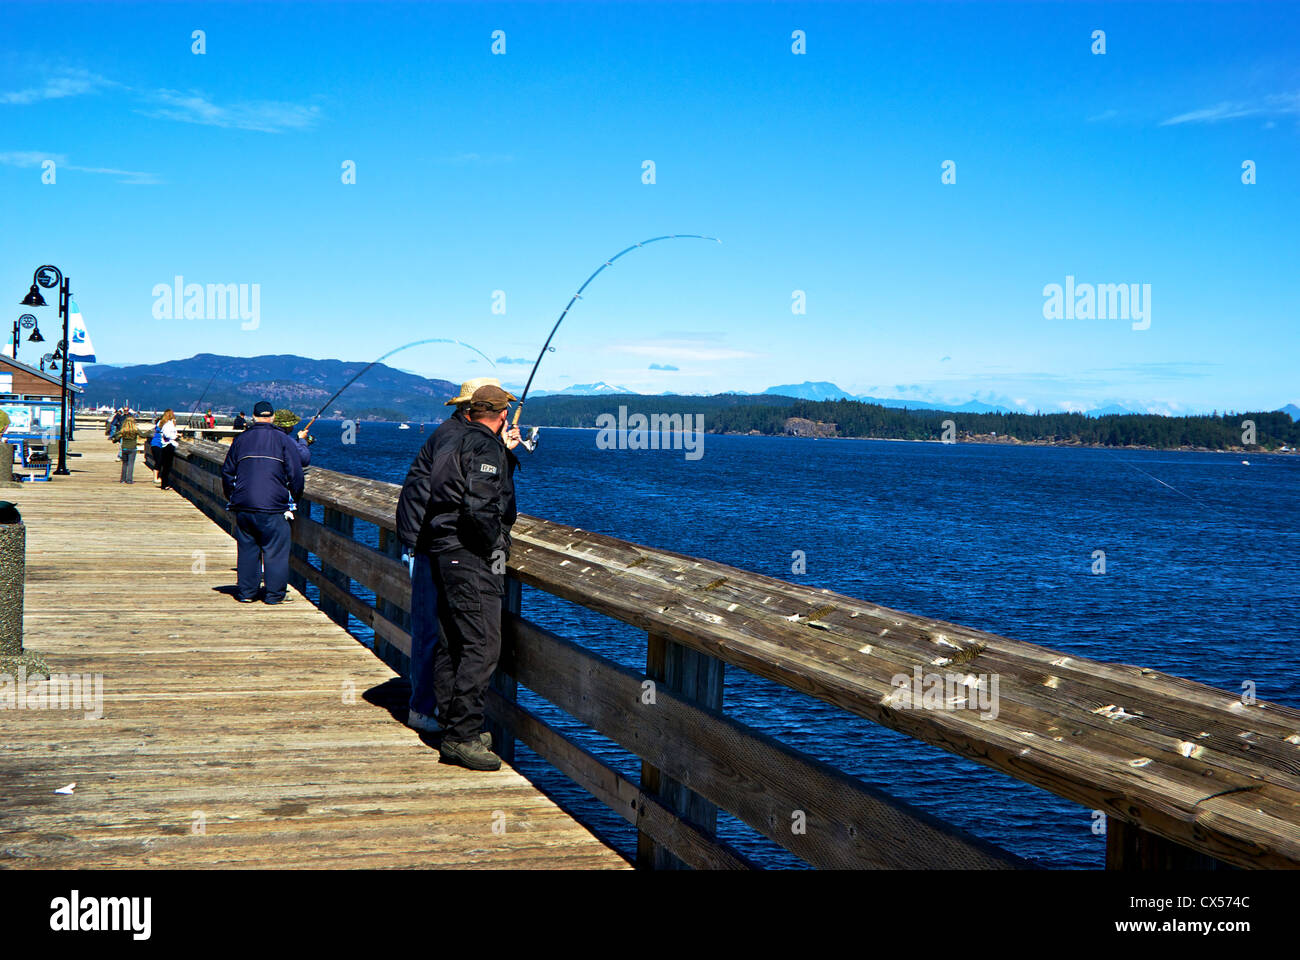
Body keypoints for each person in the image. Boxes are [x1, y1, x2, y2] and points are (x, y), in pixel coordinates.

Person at [396, 383, 521, 771]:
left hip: (439, 547)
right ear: (501, 416)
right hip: (468, 555)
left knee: (452, 639)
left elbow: (445, 491)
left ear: (469, 409)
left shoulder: (454, 437)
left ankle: (452, 722)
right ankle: (463, 736)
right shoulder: (484, 446)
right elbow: (480, 506)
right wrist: (493, 547)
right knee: (482, 646)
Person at [221, 400, 305, 605]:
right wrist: (295, 497)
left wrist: (232, 496)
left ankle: (247, 593)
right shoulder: (283, 440)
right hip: (273, 506)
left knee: (248, 549)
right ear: (273, 418)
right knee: (275, 551)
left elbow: (227, 472)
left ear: (253, 416)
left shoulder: (241, 439)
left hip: (244, 504)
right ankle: (274, 595)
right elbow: (295, 474)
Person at [153, 409, 180, 489]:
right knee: (166, 466)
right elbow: (167, 435)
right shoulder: (168, 424)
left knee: (166, 466)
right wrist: (175, 436)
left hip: (166, 445)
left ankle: (165, 483)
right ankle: (165, 484)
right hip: (168, 446)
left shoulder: (166, 423)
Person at [113, 415, 140, 483]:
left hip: (124, 448)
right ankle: (129, 480)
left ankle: (123, 479)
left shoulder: (123, 430)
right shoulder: (135, 430)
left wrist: (115, 439)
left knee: (124, 464)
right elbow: (143, 435)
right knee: (131, 464)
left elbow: (116, 436)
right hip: (132, 448)